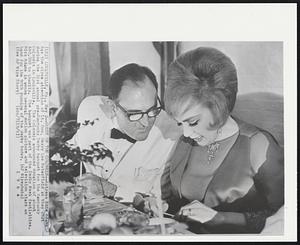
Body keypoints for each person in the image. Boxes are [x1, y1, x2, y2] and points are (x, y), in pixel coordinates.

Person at [161, 47, 284, 233]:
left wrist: (222, 218)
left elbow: (285, 218)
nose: (186, 133)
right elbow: (171, 201)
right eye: (180, 123)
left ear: (220, 106)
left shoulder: (259, 145)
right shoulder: (187, 140)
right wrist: (155, 205)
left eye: (193, 122)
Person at [68, 63, 181, 203]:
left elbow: (159, 203)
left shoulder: (171, 133)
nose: (146, 123)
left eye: (152, 110)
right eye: (134, 113)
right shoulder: (91, 109)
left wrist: (111, 190)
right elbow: (71, 147)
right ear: (112, 107)